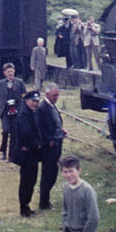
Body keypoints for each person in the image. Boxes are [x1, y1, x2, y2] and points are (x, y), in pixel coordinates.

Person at [12, 89, 43, 218]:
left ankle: (26, 205)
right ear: (26, 101)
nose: (35, 103)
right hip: (27, 154)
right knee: (26, 181)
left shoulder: (31, 113)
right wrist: (37, 144)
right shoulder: (24, 114)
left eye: (37, 101)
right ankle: (23, 207)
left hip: (32, 153)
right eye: (33, 101)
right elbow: (27, 133)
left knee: (31, 180)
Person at [36, 83, 66, 211]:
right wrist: (50, 140)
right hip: (50, 147)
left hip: (57, 143)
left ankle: (46, 199)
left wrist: (61, 131)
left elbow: (55, 123)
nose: (56, 97)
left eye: (58, 95)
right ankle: (44, 202)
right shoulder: (42, 108)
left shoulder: (52, 106)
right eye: (54, 95)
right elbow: (41, 128)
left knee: (53, 173)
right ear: (47, 94)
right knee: (48, 173)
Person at [0, 63, 26, 161]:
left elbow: (24, 97)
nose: (10, 73)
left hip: (16, 111)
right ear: (4, 73)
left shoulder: (20, 82)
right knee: (5, 131)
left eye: (12, 71)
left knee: (14, 133)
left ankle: (11, 154)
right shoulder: (0, 84)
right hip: (5, 111)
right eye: (8, 72)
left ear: (14, 71)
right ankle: (3, 152)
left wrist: (23, 110)